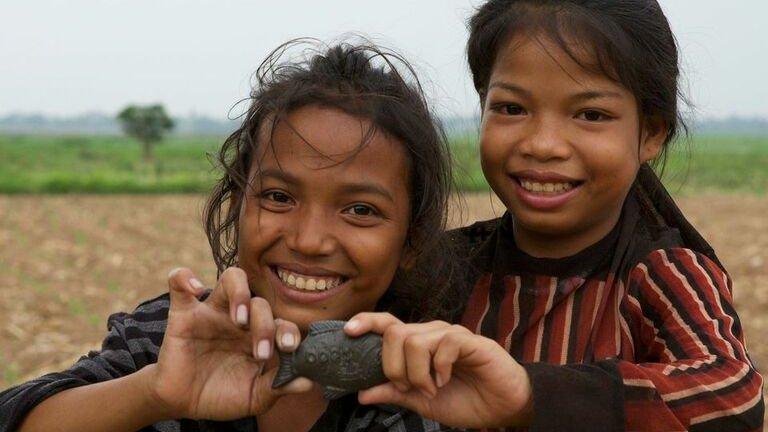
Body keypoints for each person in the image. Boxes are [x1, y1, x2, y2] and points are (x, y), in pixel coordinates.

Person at [343, 1, 765, 431]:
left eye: (590, 115)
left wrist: (529, 394)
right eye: (511, 108)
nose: (543, 144)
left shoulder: (661, 273)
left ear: (651, 132)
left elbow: (732, 394)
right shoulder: (445, 266)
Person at [0, 40, 462, 432]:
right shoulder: (169, 337)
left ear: (413, 239)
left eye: (360, 210)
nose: (308, 240)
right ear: (239, 203)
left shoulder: (415, 385)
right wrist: (155, 393)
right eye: (279, 197)